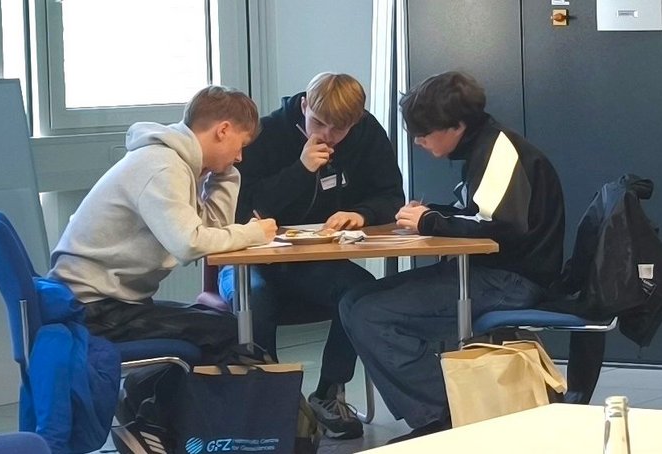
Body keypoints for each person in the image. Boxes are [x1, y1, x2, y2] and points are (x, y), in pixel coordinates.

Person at [338, 71, 566, 443]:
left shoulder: (499, 150)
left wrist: (430, 221)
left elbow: (499, 227)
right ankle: (445, 409)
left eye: (425, 133)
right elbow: (477, 213)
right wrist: (430, 217)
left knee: (370, 313)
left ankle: (446, 416)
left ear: (457, 126)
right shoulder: (482, 147)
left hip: (511, 280)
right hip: (490, 273)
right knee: (352, 301)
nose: (418, 140)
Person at [217, 72, 404, 439]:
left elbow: (391, 196)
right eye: (318, 122)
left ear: (357, 120)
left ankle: (329, 393)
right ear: (304, 105)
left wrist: (362, 213)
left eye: (340, 129)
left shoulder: (367, 134)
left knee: (361, 291)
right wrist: (301, 170)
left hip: (312, 261)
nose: (327, 135)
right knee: (255, 297)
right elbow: (241, 209)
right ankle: (269, 402)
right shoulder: (266, 134)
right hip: (249, 258)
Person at [49, 85, 278, 349]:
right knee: (228, 331)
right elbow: (189, 244)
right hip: (91, 309)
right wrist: (253, 233)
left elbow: (211, 230)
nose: (239, 156)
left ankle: (158, 389)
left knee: (219, 322)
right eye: (241, 145)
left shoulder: (173, 161)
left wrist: (226, 175)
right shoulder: (163, 166)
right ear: (223, 130)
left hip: (101, 302)